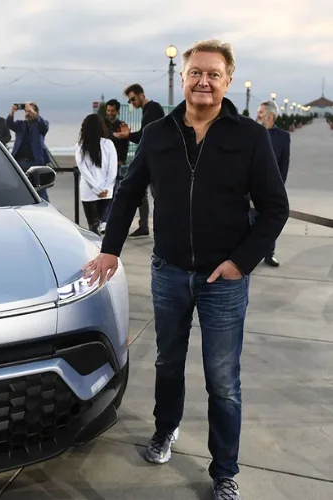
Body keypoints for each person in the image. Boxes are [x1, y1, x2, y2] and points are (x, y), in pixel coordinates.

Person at [82, 39, 289, 500]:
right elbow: (129, 193)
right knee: (167, 361)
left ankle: (225, 471)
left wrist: (241, 263)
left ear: (228, 81)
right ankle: (165, 430)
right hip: (169, 272)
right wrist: (110, 249)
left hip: (224, 280)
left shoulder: (249, 137)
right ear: (183, 79)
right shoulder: (158, 133)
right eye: (195, 72)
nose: (203, 81)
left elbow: (276, 208)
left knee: (223, 378)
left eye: (214, 74)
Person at [114, 84, 165, 238]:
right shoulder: (147, 110)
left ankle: (160, 229)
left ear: (141, 95)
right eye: (130, 101)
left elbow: (145, 135)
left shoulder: (153, 109)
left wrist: (127, 135)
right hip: (149, 159)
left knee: (158, 196)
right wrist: (129, 135)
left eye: (133, 99)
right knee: (140, 193)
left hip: (156, 160)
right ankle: (144, 226)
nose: (133, 103)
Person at [252, 99, 291, 266]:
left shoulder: (283, 136)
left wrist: (279, 186)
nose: (257, 115)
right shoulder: (252, 132)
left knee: (270, 221)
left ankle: (270, 254)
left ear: (271, 115)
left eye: (261, 112)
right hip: (249, 187)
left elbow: (284, 163)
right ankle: (248, 256)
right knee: (249, 221)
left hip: (271, 187)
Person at [74, 113, 118, 234]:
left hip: (88, 191)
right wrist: (106, 188)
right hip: (106, 192)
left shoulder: (80, 146)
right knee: (105, 227)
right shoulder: (108, 144)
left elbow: (83, 170)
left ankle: (95, 250)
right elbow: (113, 170)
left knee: (93, 227)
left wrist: (97, 189)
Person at [7, 102, 51, 201]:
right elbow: (9, 124)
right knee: (21, 187)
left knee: (40, 188)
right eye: (26, 111)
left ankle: (45, 208)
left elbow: (44, 126)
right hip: (20, 161)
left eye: (30, 111)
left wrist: (32, 111)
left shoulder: (41, 124)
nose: (28, 113)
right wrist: (12, 112)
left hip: (35, 161)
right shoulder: (20, 124)